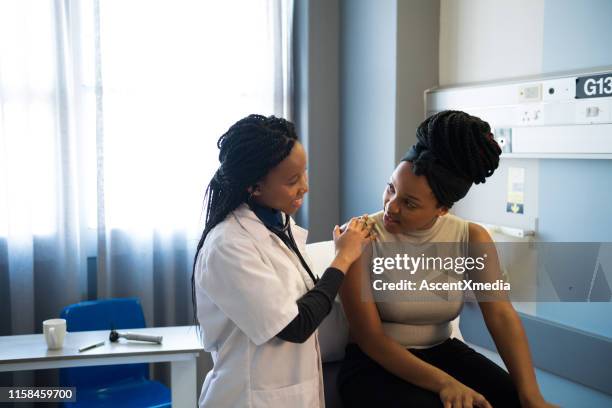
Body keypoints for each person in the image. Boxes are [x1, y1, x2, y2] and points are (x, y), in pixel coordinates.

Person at [338, 111, 558, 408]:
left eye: (409, 203)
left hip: (443, 352)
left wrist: (532, 396)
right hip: (374, 364)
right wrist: (446, 384)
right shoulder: (360, 235)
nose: (391, 207)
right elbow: (370, 339)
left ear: (442, 209)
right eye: (391, 188)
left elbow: (501, 316)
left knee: (515, 401)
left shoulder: (470, 238)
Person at [191, 114, 374, 408]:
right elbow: (296, 326)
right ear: (255, 187)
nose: (305, 187)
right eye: (292, 180)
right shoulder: (228, 245)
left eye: (305, 172)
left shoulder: (277, 225)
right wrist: (343, 258)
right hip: (248, 397)